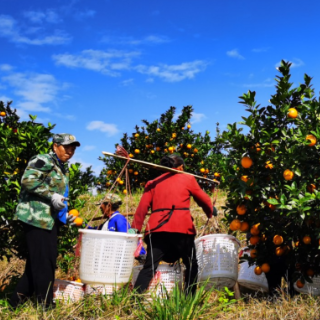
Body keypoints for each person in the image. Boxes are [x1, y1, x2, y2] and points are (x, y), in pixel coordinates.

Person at [9, 133, 80, 309]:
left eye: (73, 148)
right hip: (36, 218)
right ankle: (45, 305)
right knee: (45, 263)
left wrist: (65, 217)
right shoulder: (43, 160)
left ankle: (14, 303)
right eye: (67, 147)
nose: (70, 151)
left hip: (48, 219)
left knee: (37, 262)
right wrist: (51, 195)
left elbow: (60, 197)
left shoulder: (62, 167)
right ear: (55, 146)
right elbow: (28, 181)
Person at [130, 155, 214, 295]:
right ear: (180, 167)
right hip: (182, 229)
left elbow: (142, 208)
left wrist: (135, 228)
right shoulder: (188, 178)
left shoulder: (153, 183)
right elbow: (203, 199)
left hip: (157, 230)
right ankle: (189, 298)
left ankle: (134, 300)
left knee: (149, 267)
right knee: (191, 264)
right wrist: (210, 211)